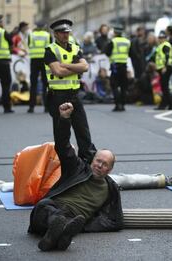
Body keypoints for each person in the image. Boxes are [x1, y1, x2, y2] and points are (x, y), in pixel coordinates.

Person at [28, 102, 123, 251]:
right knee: (43, 206)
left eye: (104, 164)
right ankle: (61, 232)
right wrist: (65, 119)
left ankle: (55, 236)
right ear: (93, 160)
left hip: (75, 219)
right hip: (51, 209)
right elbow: (63, 145)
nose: (99, 165)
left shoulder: (111, 189)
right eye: (98, 161)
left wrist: (84, 226)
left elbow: (115, 221)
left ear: (110, 170)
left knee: (63, 220)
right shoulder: (77, 168)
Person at [44, 19, 96, 163]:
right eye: (62, 33)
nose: (65, 35)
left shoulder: (75, 47)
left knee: (83, 131)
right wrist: (74, 67)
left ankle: (87, 161)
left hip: (74, 95)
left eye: (67, 32)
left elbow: (85, 67)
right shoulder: (50, 50)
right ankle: (66, 163)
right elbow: (57, 71)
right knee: (62, 134)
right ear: (55, 34)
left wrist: (66, 65)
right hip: (58, 96)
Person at [104, 25, 132, 112]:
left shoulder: (113, 41)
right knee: (123, 86)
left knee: (114, 85)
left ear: (115, 33)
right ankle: (123, 105)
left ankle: (117, 105)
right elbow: (131, 53)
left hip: (115, 66)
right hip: (124, 66)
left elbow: (107, 52)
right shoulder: (127, 41)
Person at [28, 21, 51, 113]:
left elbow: (29, 45)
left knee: (33, 84)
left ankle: (31, 107)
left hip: (34, 60)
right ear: (44, 26)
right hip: (44, 60)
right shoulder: (47, 35)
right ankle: (46, 107)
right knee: (46, 84)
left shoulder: (31, 35)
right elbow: (50, 47)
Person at [154, 31, 172, 110]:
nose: (161, 39)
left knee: (165, 87)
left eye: (162, 38)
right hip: (162, 68)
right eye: (160, 38)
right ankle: (169, 104)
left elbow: (167, 56)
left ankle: (164, 105)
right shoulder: (161, 46)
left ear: (165, 38)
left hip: (165, 68)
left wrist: (165, 67)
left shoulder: (166, 45)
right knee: (164, 87)